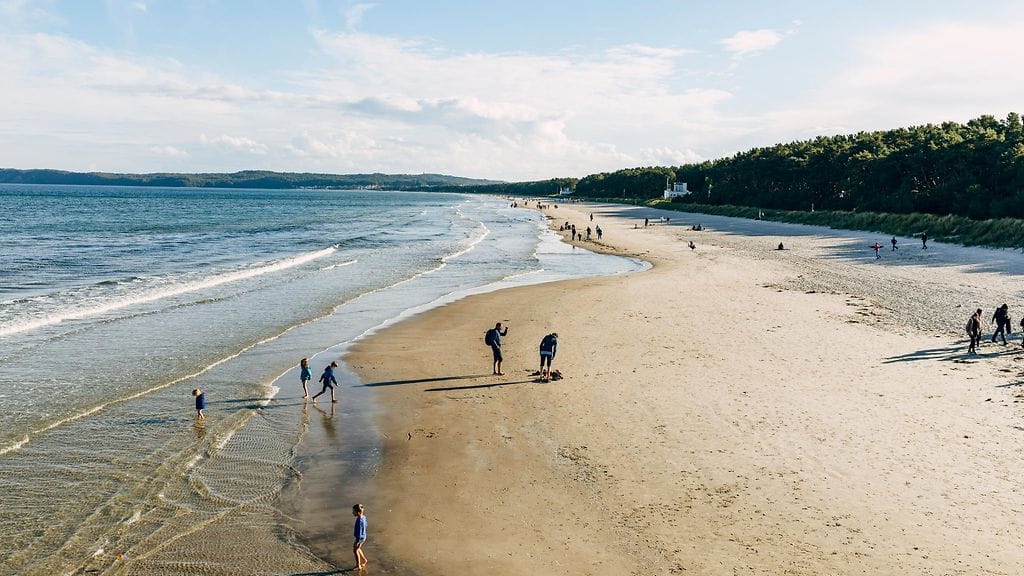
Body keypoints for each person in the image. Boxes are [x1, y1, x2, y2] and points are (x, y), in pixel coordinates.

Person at [352, 504, 368, 570]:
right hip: (363, 536)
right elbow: (366, 524)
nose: (353, 513)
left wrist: (357, 541)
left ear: (358, 513)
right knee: (358, 548)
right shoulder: (363, 517)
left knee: (355, 550)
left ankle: (358, 565)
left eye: (354, 512)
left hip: (360, 538)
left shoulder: (359, 521)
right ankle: (364, 560)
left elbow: (359, 531)